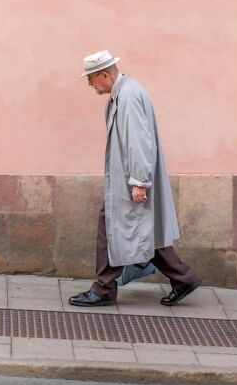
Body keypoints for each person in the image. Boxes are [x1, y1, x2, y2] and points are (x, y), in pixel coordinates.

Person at [68, 51, 201, 308]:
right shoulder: (124, 94)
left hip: (129, 180)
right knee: (139, 231)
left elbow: (138, 142)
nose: (89, 84)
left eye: (91, 79)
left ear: (104, 75)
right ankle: (183, 277)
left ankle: (104, 288)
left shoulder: (127, 97)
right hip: (125, 179)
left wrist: (139, 181)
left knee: (112, 228)